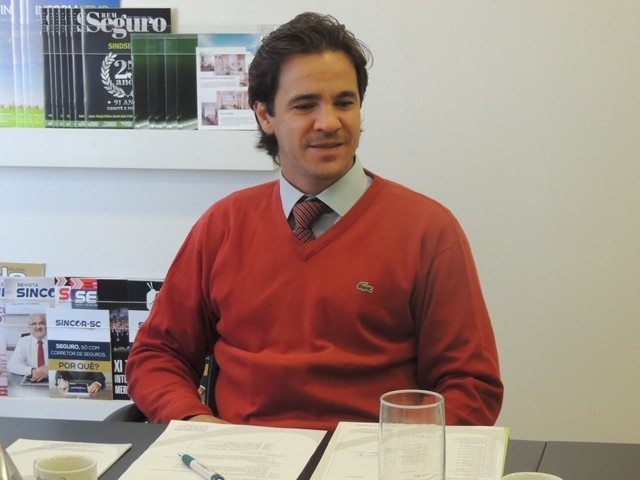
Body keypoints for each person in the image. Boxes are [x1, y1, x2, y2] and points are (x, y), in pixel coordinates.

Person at [126, 12, 503, 430]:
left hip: (372, 456)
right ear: (265, 116)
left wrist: (404, 451)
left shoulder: (428, 231)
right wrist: (193, 420)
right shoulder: (223, 226)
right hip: (240, 454)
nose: (329, 122)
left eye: (344, 102)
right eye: (305, 105)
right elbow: (157, 355)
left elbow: (471, 386)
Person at [7, 313, 49, 382]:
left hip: (52, 379)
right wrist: (32, 370)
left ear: (46, 325)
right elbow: (12, 365)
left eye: (41, 323)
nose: (38, 327)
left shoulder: (55, 341)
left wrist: (47, 370)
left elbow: (64, 365)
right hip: (31, 379)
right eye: (34, 324)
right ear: (29, 327)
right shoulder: (23, 341)